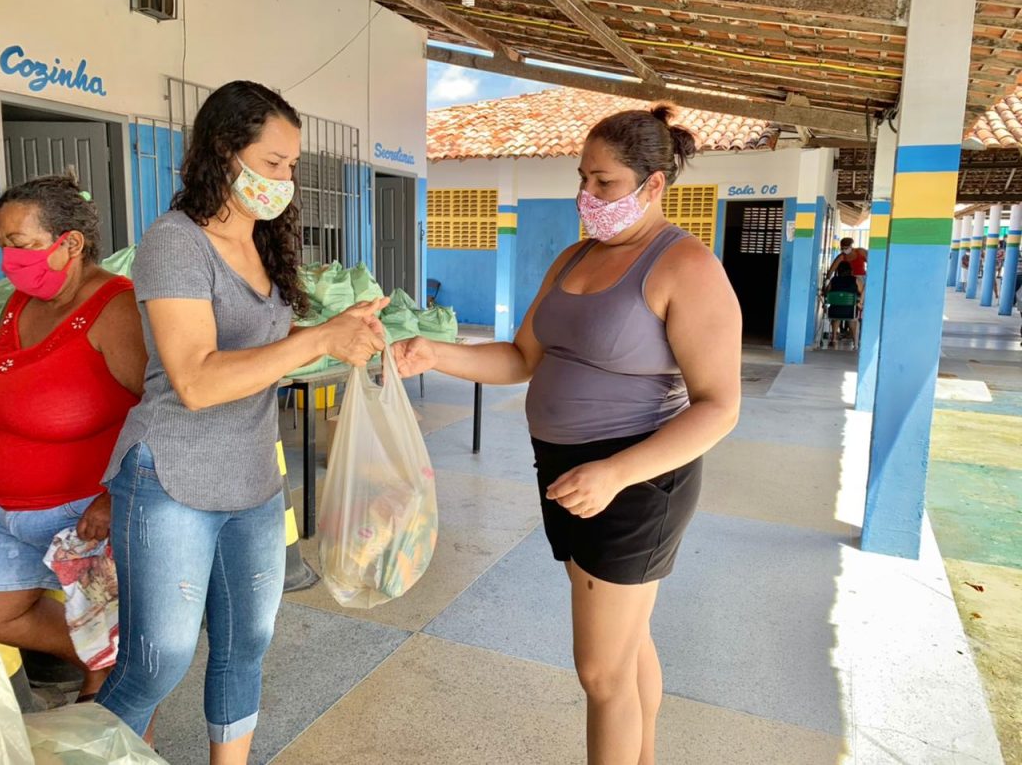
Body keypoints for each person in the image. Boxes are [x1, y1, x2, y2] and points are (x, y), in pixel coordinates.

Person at [394, 104, 741, 765]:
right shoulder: (572, 259)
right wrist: (434, 353)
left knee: (600, 672)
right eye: (583, 178)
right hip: (567, 474)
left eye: (605, 182)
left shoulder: (685, 266)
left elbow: (719, 406)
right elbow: (520, 358)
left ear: (654, 184)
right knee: (627, 645)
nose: (588, 195)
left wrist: (616, 473)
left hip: (636, 480)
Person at [95, 81, 387, 764]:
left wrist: (340, 332)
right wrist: (316, 341)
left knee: (245, 645)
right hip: (173, 476)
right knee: (157, 663)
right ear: (224, 152)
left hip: (253, 475)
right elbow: (196, 380)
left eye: (292, 165)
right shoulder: (175, 243)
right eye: (272, 162)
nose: (284, 179)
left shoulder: (262, 240)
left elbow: (264, 348)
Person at [0, 175, 146, 701]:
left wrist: (115, 494)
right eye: (3, 244)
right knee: (4, 614)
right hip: (10, 510)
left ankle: (114, 702)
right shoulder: (20, 302)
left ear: (71, 243)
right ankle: (104, 667)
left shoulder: (116, 308)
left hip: (82, 517)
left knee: (109, 644)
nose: (9, 258)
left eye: (20, 244)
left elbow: (156, 408)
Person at [824, 261, 862, 349]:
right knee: (852, 318)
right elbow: (862, 291)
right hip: (850, 312)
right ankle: (855, 342)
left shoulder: (834, 280)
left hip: (834, 312)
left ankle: (834, 338)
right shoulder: (855, 280)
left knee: (837, 316)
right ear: (850, 270)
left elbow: (826, 293)